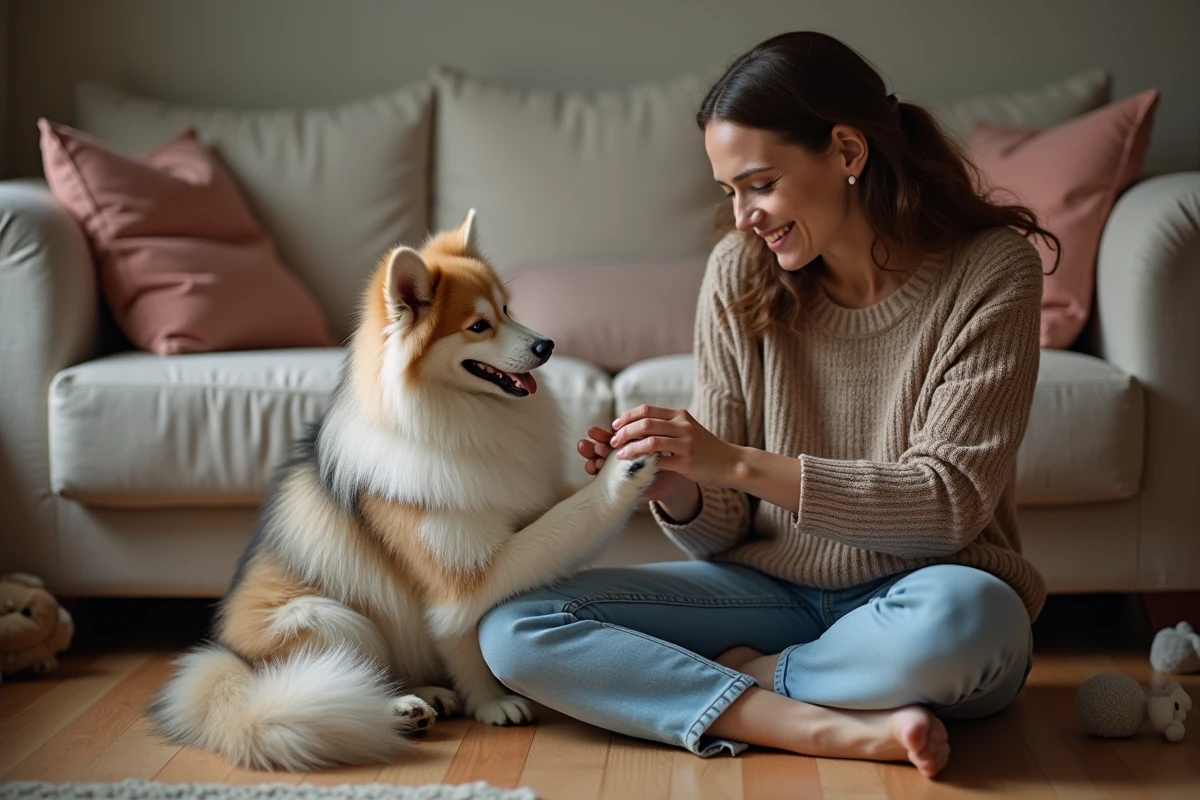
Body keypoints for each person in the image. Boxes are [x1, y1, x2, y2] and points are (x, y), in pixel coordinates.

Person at [477, 30, 1058, 779]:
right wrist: (681, 487)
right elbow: (724, 534)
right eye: (729, 193)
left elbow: (947, 507)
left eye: (760, 184)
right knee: (514, 625)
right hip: (768, 589)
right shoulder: (738, 272)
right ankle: (818, 722)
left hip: (924, 590)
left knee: (970, 623)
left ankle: (754, 681)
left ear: (848, 153)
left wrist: (736, 461)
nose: (744, 216)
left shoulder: (990, 269)